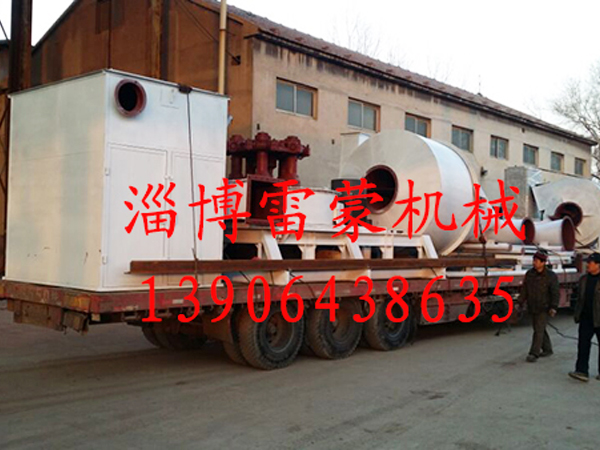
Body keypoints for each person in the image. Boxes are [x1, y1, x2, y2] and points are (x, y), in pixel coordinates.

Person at [520, 250, 559, 362]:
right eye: (534, 260)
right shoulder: (530, 274)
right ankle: (547, 349)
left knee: (538, 330)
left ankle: (534, 353)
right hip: (533, 306)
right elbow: (524, 290)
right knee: (539, 328)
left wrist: (553, 307)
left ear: (543, 262)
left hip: (544, 307)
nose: (534, 263)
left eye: (536, 261)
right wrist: (520, 301)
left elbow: (555, 292)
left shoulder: (550, 276)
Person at [569, 253, 600, 382]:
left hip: (599, 318)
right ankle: (582, 371)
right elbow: (580, 299)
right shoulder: (583, 279)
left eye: (590, 263)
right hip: (586, 318)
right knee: (583, 345)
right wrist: (577, 314)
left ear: (598, 265)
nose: (587, 265)